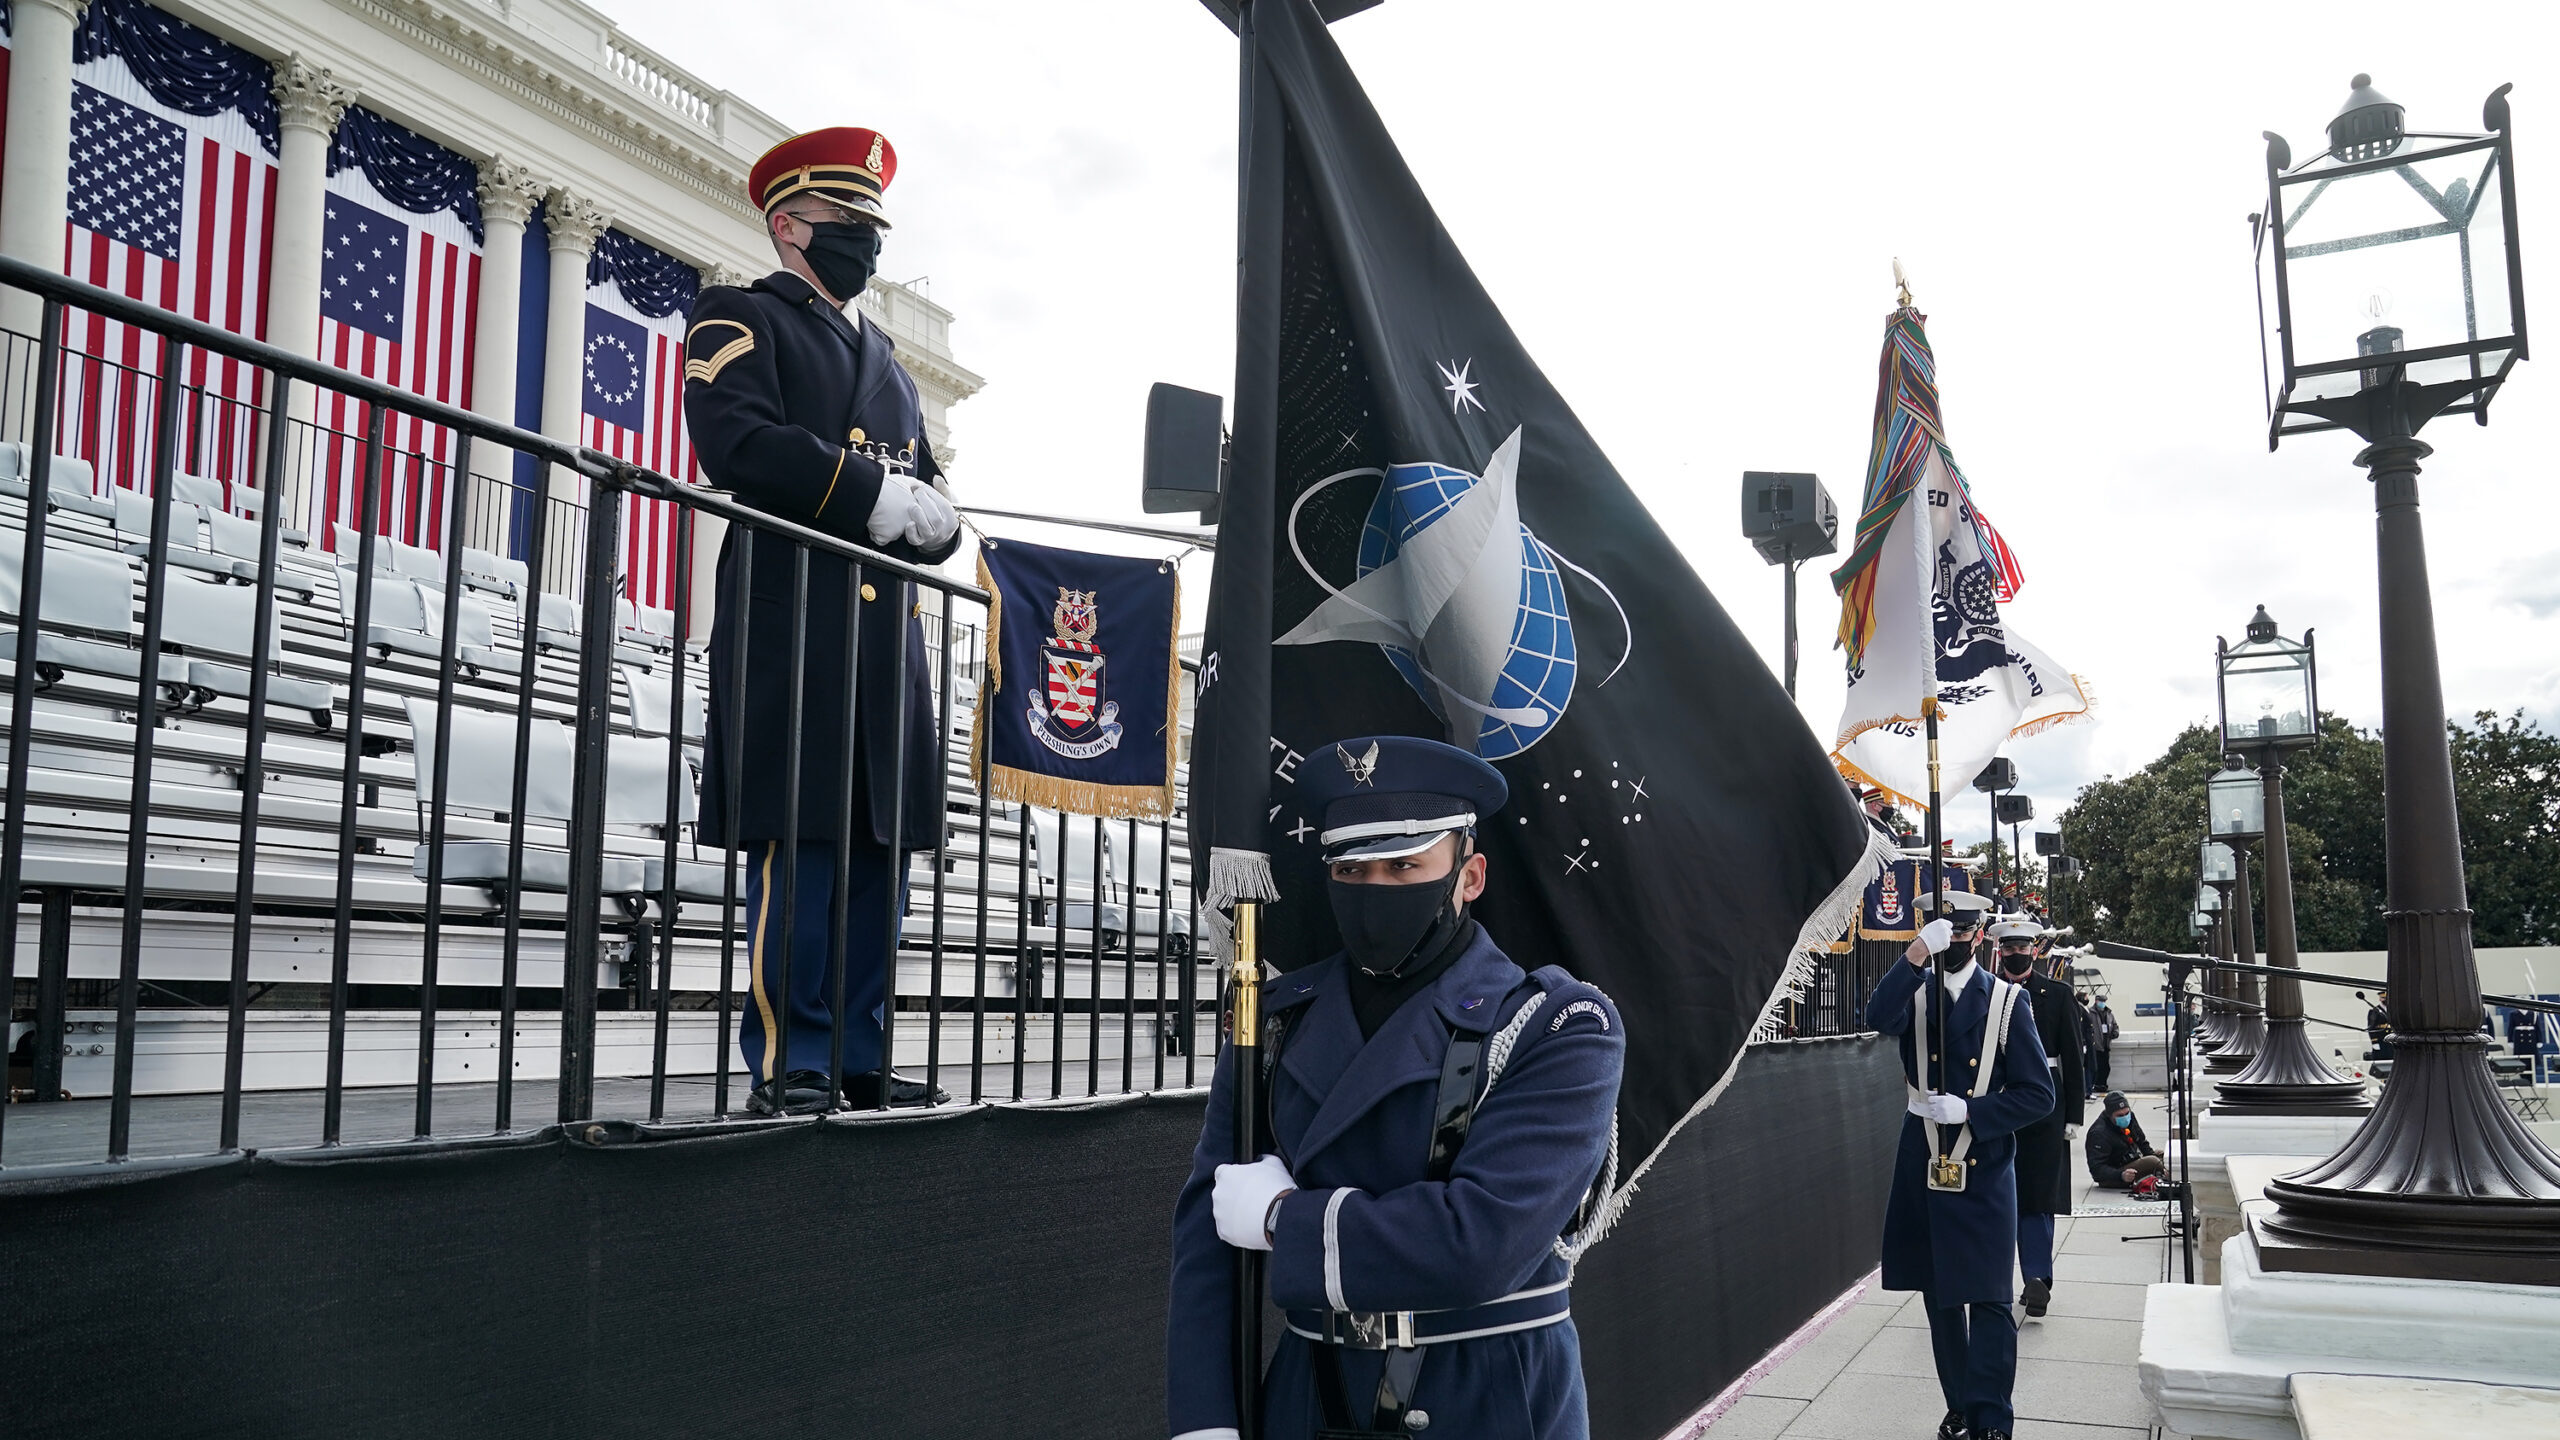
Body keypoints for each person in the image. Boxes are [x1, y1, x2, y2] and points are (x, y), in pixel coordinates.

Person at [1166, 736, 1624, 1440]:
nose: (1375, 889)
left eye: (1405, 865)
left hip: (1488, 1399)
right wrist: (1205, 1422)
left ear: (1469, 876)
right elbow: (1206, 1236)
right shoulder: (1278, 1021)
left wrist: (1280, 1221)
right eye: (1351, 870)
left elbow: (1480, 1243)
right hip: (1311, 1397)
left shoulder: (1556, 1026)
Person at [683, 125, 963, 1115]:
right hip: (791, 622)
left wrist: (932, 521)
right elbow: (737, 442)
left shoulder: (889, 360)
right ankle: (792, 1058)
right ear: (789, 222)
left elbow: (924, 496)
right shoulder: (740, 317)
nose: (868, 240)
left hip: (884, 649)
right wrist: (869, 496)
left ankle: (857, 1052)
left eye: (873, 223)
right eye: (849, 219)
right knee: (798, 849)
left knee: (875, 857)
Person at [1865, 891, 2054, 1440]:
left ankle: (1992, 1417)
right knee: (1940, 1295)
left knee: (1991, 1297)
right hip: (1923, 1156)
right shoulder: (1915, 993)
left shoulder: (2005, 1003)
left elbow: (2037, 1094)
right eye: (1942, 932)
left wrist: (1973, 1108)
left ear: (1976, 935)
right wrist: (1913, 957)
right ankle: (1961, 1408)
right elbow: (1877, 1016)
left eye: (1961, 932)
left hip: (1983, 1161)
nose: (1954, 941)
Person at [1990, 918, 2083, 1320]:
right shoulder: (1986, 992)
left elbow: (2075, 1058)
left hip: (2046, 1106)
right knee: (1997, 1196)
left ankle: (2037, 1280)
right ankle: (1995, 1280)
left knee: (2038, 1198)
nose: (2016, 954)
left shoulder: (2058, 994)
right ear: (2000, 952)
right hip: (1997, 1103)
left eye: (2022, 947)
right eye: (2008, 949)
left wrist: (2074, 1115)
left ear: (2034, 949)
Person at [2085, 1092, 2164, 1193]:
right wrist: (2121, 1175)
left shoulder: (2130, 1118)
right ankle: (2168, 1175)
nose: (2125, 1117)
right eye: (2119, 1115)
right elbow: (2096, 1169)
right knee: (2153, 1161)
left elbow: (2142, 1142)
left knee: (2165, 1156)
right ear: (2110, 1115)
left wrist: (2155, 1157)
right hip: (2115, 1175)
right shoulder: (2099, 1133)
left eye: (2127, 1113)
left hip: (2131, 1159)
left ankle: (2166, 1171)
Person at [2088, 995, 2118, 1094]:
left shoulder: (2109, 1014)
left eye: (2104, 1001)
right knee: (2096, 1067)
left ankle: (2103, 1085)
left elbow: (2115, 1025)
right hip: (2096, 1045)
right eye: (2101, 1001)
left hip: (2106, 1044)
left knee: (2106, 1067)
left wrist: (2115, 1033)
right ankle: (2096, 1085)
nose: (2103, 1003)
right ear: (2096, 1001)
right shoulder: (2091, 1013)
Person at [2361, 989, 2394, 1064]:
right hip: (2380, 1039)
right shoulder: (2374, 1011)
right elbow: (2371, 1028)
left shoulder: (2393, 1010)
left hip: (2391, 1039)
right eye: (2383, 998)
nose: (2385, 1000)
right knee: (2381, 1060)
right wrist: (2374, 1042)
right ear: (2380, 999)